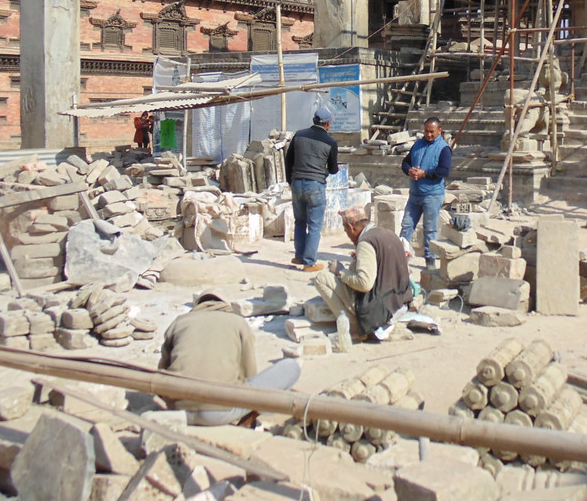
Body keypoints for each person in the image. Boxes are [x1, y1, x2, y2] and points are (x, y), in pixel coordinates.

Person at [158, 290, 300, 426]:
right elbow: (248, 371)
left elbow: (162, 370)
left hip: (177, 409)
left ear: (198, 305)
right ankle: (252, 418)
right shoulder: (237, 322)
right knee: (291, 367)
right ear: (226, 306)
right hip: (218, 412)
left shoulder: (180, 321)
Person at [314, 206, 414, 341]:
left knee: (322, 278)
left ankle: (351, 327)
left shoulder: (366, 242)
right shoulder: (388, 234)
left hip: (379, 310)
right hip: (400, 302)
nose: (347, 235)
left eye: (346, 230)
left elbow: (364, 284)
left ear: (351, 227)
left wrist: (340, 272)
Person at [284, 106, 339, 272]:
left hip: (296, 183)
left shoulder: (299, 135)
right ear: (328, 124)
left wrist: (290, 181)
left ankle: (299, 256)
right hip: (315, 185)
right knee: (315, 225)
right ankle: (310, 262)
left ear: (314, 120)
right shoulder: (330, 142)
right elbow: (334, 168)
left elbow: (288, 160)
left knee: (300, 221)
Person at [399, 116, 452, 269]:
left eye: (432, 132)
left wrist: (424, 173)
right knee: (406, 225)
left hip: (432, 195)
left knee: (429, 229)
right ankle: (401, 257)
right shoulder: (418, 144)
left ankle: (430, 261)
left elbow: (444, 170)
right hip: (415, 194)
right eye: (426, 131)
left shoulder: (443, 148)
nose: (429, 134)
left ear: (439, 131)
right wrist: (409, 170)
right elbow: (405, 162)